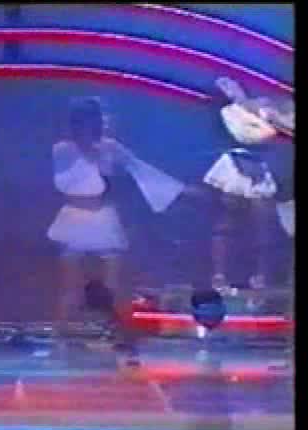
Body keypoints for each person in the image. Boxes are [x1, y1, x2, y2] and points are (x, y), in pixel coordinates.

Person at [46, 97, 187, 365]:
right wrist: (97, 148)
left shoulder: (111, 147)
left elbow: (140, 169)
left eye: (94, 120)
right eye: (86, 120)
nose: (91, 125)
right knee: (71, 287)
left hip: (103, 217)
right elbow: (73, 171)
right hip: (74, 218)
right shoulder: (62, 149)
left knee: (112, 286)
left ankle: (117, 336)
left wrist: (177, 192)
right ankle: (59, 338)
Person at [206, 77, 294, 291]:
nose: (228, 87)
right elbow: (242, 135)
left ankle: (260, 276)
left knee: (263, 224)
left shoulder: (267, 105)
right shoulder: (230, 112)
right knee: (228, 223)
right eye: (223, 86)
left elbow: (272, 132)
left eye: (230, 83)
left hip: (264, 169)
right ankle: (220, 275)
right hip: (235, 166)